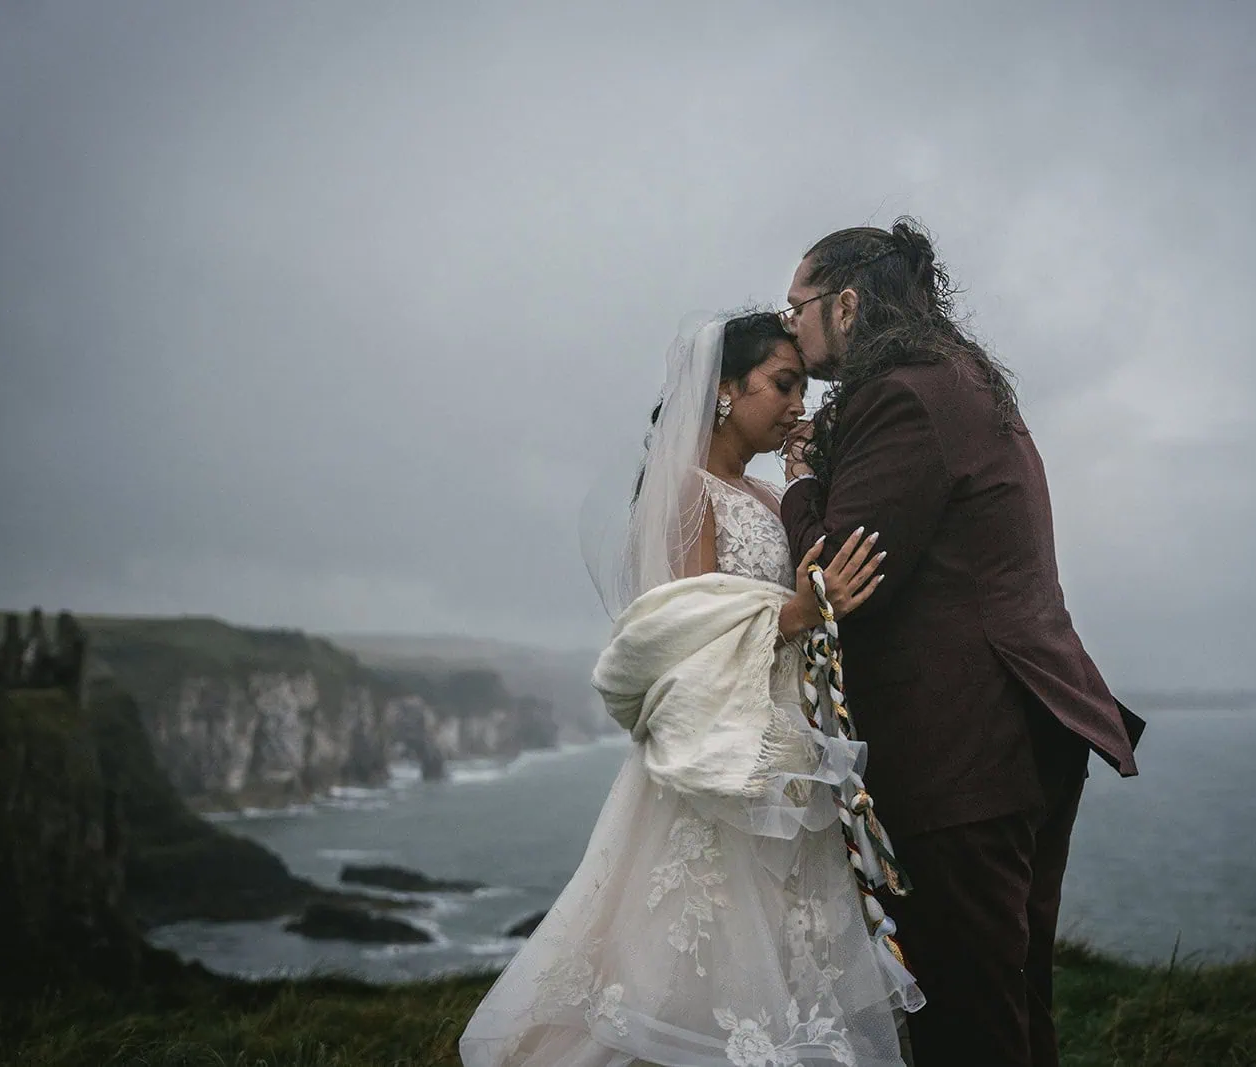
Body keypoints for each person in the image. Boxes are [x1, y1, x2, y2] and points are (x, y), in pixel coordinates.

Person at [459, 311, 923, 1067]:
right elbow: (682, 639)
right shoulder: (685, 493)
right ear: (723, 392)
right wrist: (800, 610)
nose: (797, 404)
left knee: (786, 943)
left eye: (801, 387)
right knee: (694, 945)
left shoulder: (772, 500)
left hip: (783, 744)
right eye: (782, 384)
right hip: (714, 752)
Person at [777, 220, 1146, 1067]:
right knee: (1011, 998)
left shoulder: (902, 393)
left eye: (794, 305)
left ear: (846, 302)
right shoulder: (961, 379)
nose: (789, 324)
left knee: (967, 1017)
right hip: (1023, 732)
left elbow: (837, 583)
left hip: (962, 751)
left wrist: (798, 481)